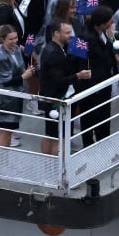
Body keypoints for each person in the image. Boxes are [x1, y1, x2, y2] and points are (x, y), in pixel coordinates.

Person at [38, 20, 92, 155]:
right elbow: (58, 81)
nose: (71, 36)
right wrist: (78, 75)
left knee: (50, 134)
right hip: (55, 100)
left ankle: (48, 166)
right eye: (67, 33)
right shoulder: (54, 53)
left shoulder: (53, 48)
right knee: (58, 137)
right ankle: (58, 170)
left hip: (51, 98)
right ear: (56, 34)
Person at [0, 25, 36, 147]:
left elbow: (18, 70)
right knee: (4, 134)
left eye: (16, 38)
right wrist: (24, 76)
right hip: (4, 100)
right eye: (10, 39)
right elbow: (4, 80)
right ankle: (0, 164)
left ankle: (3, 162)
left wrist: (26, 72)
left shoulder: (16, 50)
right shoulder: (0, 57)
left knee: (9, 133)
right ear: (2, 40)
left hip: (15, 98)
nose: (14, 41)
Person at [77, 4, 117, 145]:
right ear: (102, 23)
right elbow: (104, 57)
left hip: (102, 80)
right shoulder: (87, 37)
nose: (112, 23)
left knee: (103, 114)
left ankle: (102, 142)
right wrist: (111, 41)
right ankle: (89, 144)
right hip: (92, 83)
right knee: (90, 115)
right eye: (110, 21)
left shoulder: (98, 34)